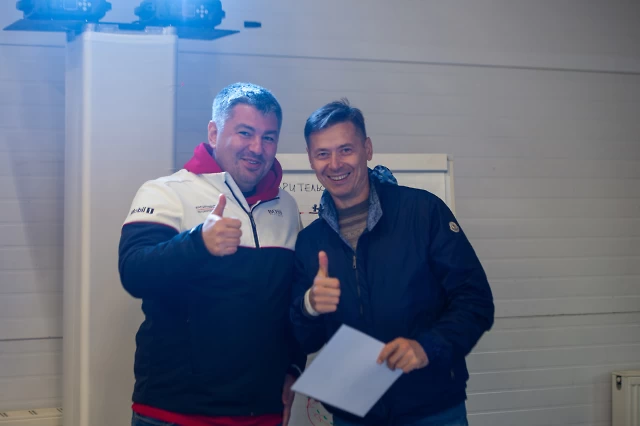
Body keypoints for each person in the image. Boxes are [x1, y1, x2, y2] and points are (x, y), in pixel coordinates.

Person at [290, 99, 494, 426]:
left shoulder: (423, 212)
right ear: (311, 159)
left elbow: (475, 300)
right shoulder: (310, 242)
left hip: (432, 410)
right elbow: (306, 339)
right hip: (353, 414)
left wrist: (428, 347)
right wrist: (310, 306)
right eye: (323, 153)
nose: (335, 163)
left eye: (346, 150)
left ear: (367, 149)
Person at [118, 82, 305, 426]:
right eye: (245, 133)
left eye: (268, 137)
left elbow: (289, 300)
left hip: (262, 411)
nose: (257, 148)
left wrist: (293, 366)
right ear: (214, 132)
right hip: (175, 411)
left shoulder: (288, 207)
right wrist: (197, 244)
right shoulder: (167, 192)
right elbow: (134, 272)